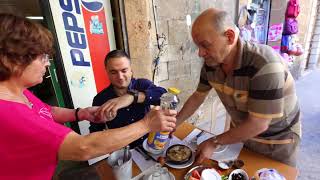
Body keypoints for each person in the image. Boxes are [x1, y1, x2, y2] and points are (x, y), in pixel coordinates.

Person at [0, 13, 177, 179]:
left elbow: (48, 111)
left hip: (150, 147)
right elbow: (84, 147)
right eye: (41, 57)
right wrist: (147, 124)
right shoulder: (7, 113)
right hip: (125, 153)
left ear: (131, 70)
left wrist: (81, 113)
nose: (47, 63)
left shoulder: (22, 94)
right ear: (10, 61)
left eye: (124, 70)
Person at [176, 8, 301, 167]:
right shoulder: (211, 64)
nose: (200, 53)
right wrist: (174, 124)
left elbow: (258, 124)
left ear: (229, 36)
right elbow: (197, 97)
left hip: (277, 142)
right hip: (240, 135)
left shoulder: (265, 64)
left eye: (205, 45)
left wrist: (214, 142)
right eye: (198, 46)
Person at [90, 50, 167, 148]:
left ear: (131, 70)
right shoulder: (100, 99)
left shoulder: (142, 84)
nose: (120, 77)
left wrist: (133, 97)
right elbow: (95, 131)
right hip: (123, 151)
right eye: (113, 72)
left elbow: (165, 96)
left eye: (124, 70)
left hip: (150, 143)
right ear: (107, 72)